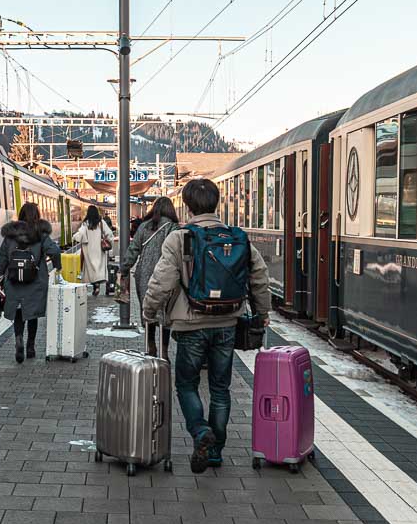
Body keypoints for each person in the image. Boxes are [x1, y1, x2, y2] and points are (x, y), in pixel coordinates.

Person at [142, 178, 271, 474]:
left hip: (190, 324)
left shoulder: (179, 237)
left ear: (187, 206)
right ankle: (215, 451)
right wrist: (262, 313)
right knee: (220, 388)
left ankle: (200, 432)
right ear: (216, 203)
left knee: (186, 384)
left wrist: (149, 312)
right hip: (228, 322)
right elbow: (260, 276)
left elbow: (162, 281)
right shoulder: (237, 237)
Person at [0, 202, 62, 363]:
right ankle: (30, 346)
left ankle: (18, 339)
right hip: (35, 282)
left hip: (13, 281)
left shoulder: (10, 235)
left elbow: (3, 258)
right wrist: (58, 267)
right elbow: (54, 251)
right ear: (36, 215)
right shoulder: (41, 234)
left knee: (19, 313)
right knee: (32, 314)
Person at [120, 196, 179, 353]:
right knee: (166, 313)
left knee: (148, 311)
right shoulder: (174, 228)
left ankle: (150, 345)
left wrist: (125, 268)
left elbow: (133, 250)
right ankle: (164, 350)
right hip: (168, 275)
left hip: (144, 275)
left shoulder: (144, 226)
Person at [73, 205, 114, 296]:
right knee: (98, 267)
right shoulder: (101, 223)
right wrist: (109, 241)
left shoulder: (86, 223)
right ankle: (97, 284)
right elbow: (109, 234)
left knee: (90, 268)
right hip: (99, 249)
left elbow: (81, 235)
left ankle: (95, 285)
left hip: (89, 249)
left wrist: (74, 237)